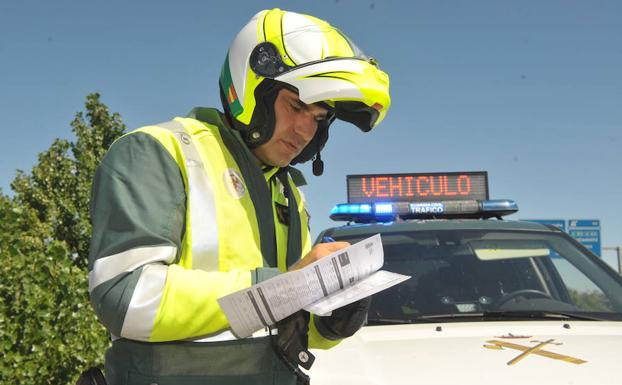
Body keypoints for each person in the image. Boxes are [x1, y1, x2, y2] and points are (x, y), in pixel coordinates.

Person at [87, 8, 390, 385]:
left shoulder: (289, 193)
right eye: (296, 107)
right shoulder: (159, 152)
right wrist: (285, 286)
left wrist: (329, 322)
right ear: (252, 90)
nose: (305, 130)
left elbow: (280, 319)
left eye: (318, 118)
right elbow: (126, 300)